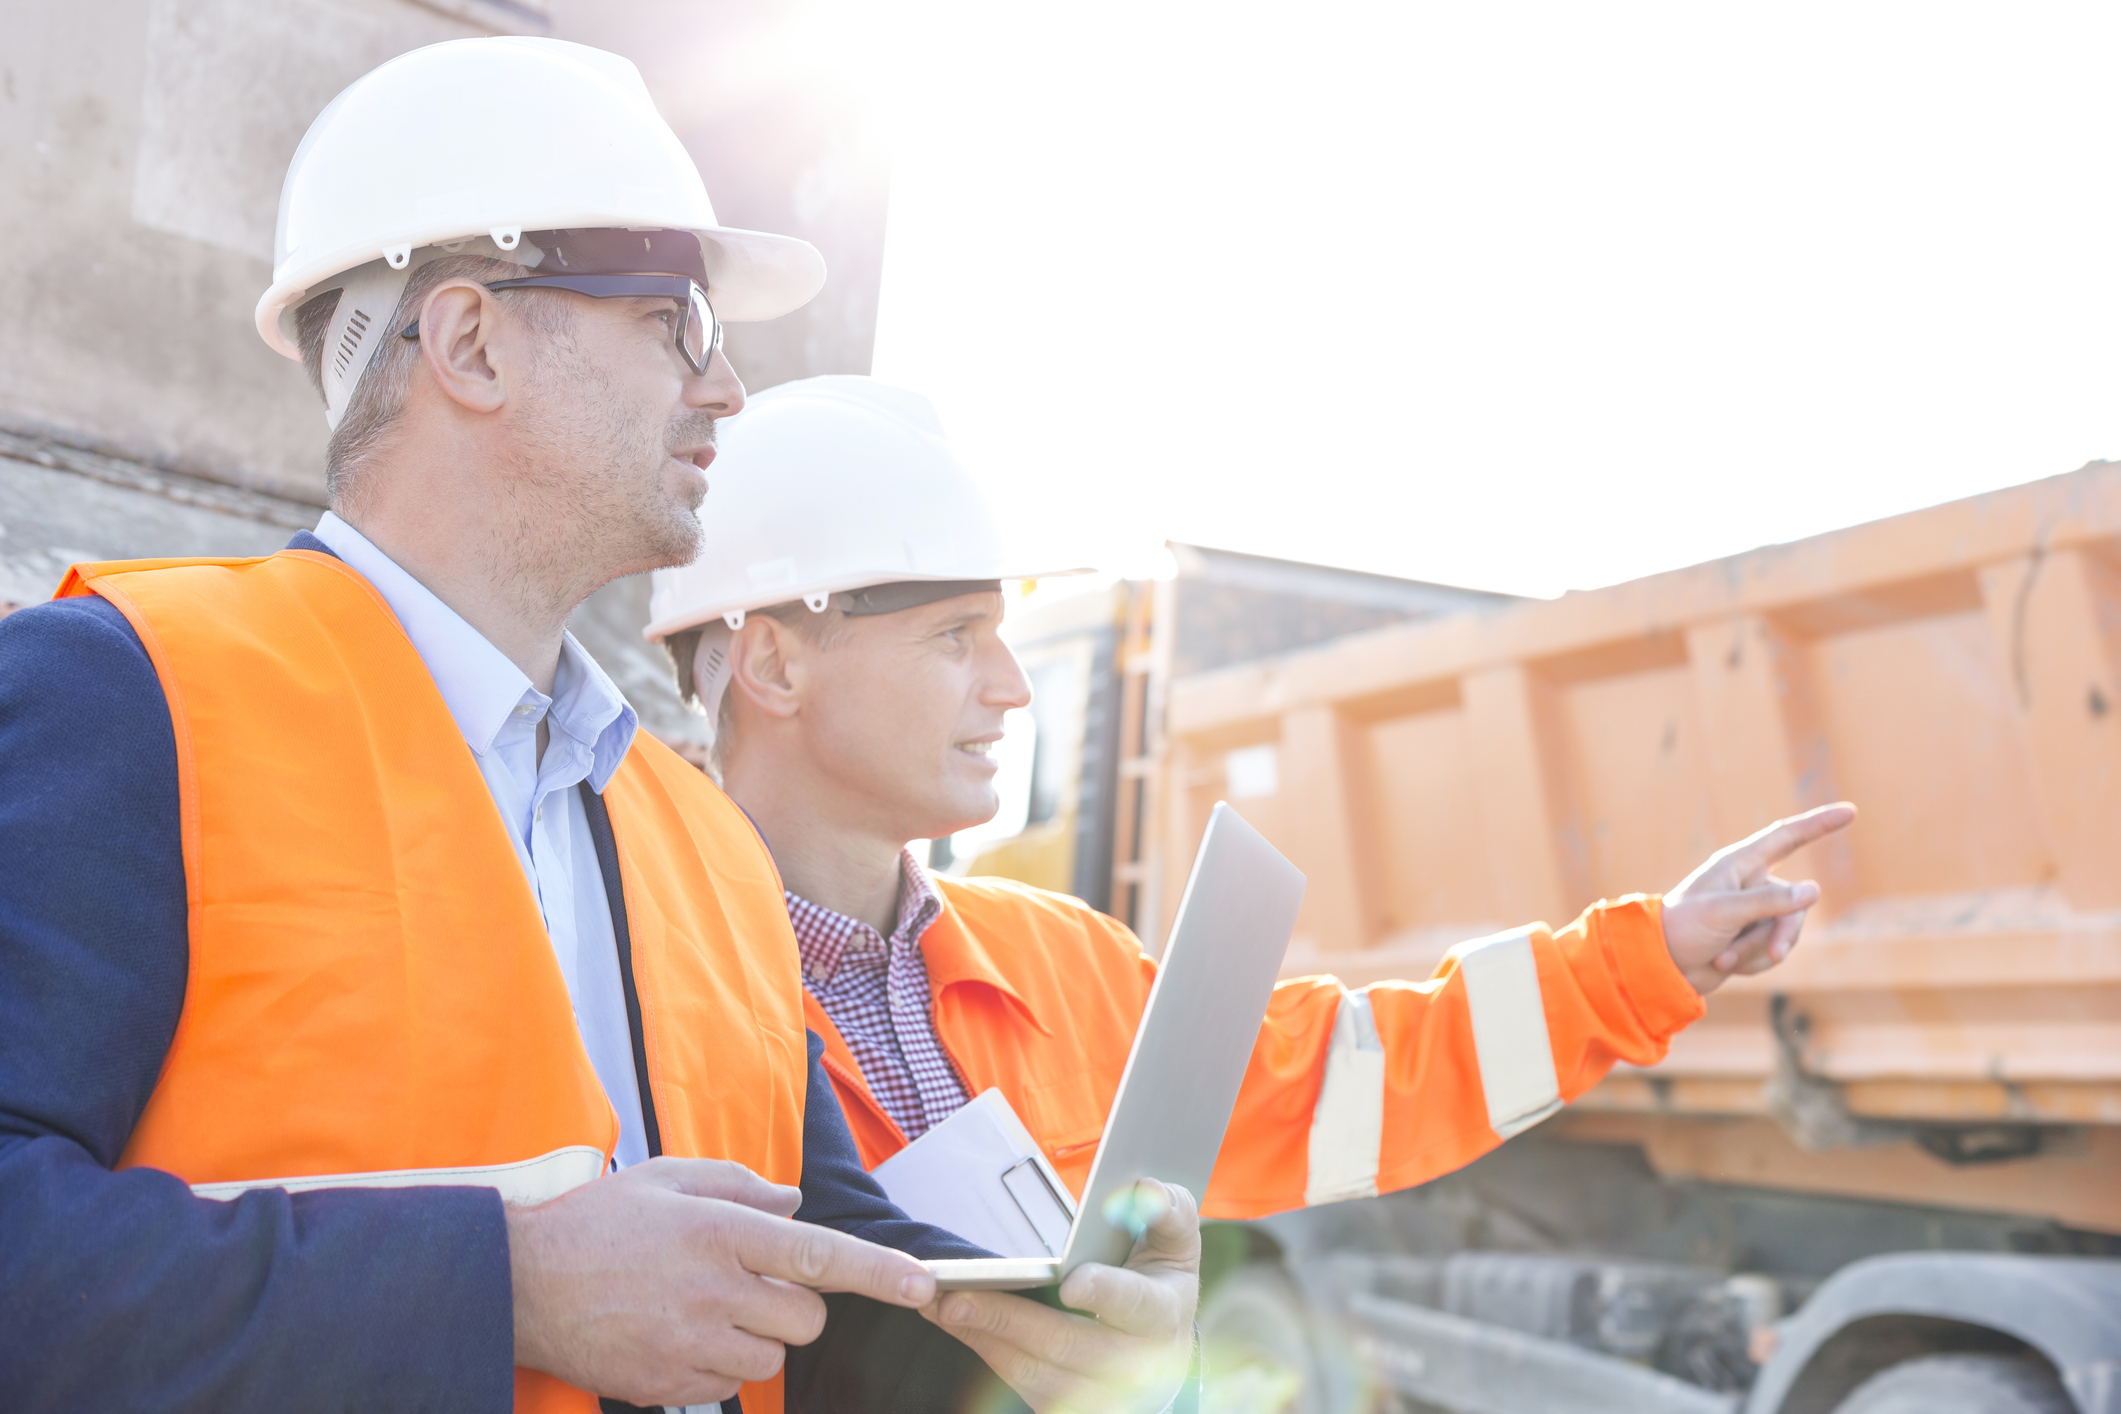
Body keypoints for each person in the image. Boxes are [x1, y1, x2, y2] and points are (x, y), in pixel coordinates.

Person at [0, 40, 1196, 1414]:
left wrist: (1040, 1322)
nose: (726, 389)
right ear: (470, 342)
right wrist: (512, 1289)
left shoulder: (699, 843)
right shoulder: (126, 695)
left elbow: (815, 1278)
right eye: (672, 319)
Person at [644, 374, 1858, 1227]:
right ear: (775, 664)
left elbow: (1354, 1076)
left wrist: (1654, 959)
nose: (1012, 686)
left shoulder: (1064, 963)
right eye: (957, 636)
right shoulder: (623, 972)